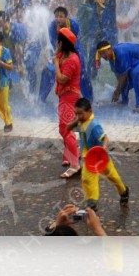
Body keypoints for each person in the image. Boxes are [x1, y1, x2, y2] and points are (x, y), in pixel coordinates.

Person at [70, 98, 129, 209]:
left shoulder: (94, 125)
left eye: (80, 113)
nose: (78, 116)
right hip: (89, 157)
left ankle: (123, 191)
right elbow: (72, 128)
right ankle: (92, 202)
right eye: (76, 113)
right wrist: (74, 121)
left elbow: (105, 137)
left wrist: (105, 147)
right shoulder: (82, 121)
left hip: (100, 157)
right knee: (87, 178)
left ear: (90, 111)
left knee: (113, 176)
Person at [55, 27, 84, 178]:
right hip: (63, 96)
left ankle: (75, 165)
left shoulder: (72, 60)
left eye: (58, 41)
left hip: (70, 97)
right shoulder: (63, 55)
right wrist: (56, 55)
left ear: (62, 43)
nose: (56, 43)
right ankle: (71, 154)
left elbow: (61, 79)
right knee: (63, 129)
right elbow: (57, 55)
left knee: (67, 130)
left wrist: (55, 63)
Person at [96, 39, 139, 112]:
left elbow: (123, 76)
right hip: (135, 61)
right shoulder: (112, 57)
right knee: (123, 77)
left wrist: (117, 92)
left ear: (109, 49)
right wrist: (119, 90)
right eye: (100, 54)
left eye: (104, 53)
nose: (103, 56)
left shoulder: (121, 53)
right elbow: (119, 76)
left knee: (135, 73)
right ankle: (124, 101)